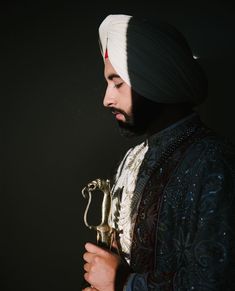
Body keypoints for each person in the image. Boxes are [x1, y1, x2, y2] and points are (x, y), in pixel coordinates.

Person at [82, 14, 235, 290]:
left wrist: (125, 284)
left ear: (156, 80)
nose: (107, 99)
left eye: (117, 83)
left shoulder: (214, 162)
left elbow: (217, 280)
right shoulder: (131, 159)